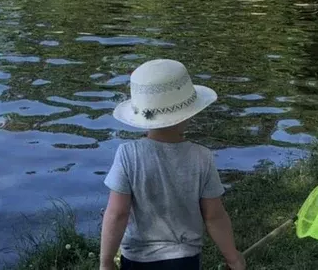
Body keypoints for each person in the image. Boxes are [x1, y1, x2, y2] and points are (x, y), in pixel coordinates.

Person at [100, 59, 245, 270]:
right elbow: (214, 216)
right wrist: (233, 258)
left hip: (137, 260)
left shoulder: (128, 155)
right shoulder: (201, 157)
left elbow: (117, 214)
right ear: (188, 114)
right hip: (184, 259)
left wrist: (106, 262)